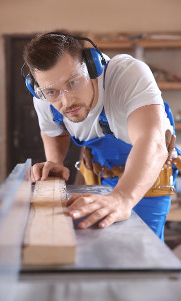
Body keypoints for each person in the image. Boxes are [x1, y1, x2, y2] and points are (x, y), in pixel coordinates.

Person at [22, 31, 180, 241]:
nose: (67, 102)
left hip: (147, 178)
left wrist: (122, 198)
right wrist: (54, 160)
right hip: (98, 176)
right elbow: (54, 130)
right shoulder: (43, 95)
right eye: (52, 92)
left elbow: (151, 142)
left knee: (141, 249)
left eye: (72, 83)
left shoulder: (127, 74)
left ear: (91, 66)